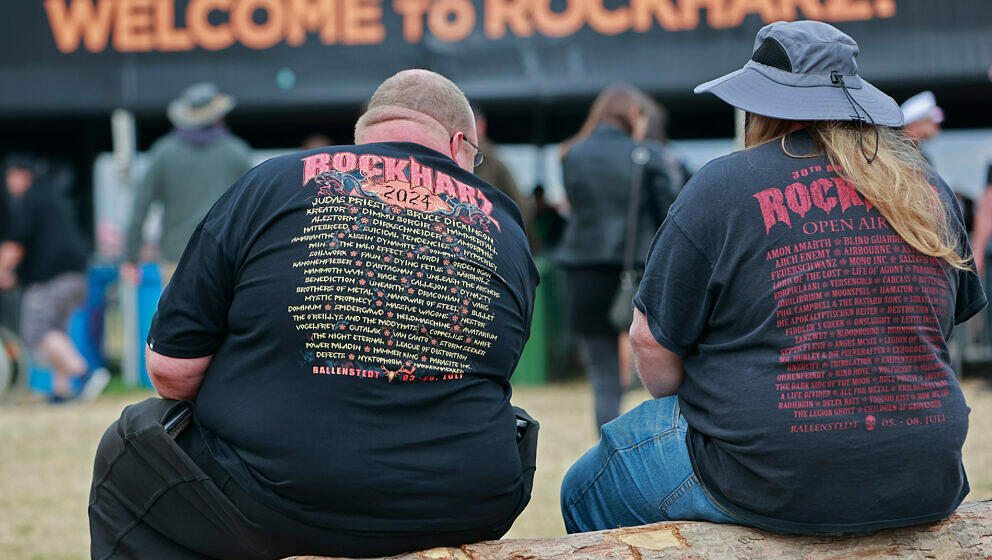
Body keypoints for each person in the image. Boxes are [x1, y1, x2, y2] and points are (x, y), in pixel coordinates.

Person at [89, 69, 539, 559]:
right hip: (466, 502)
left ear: (367, 135)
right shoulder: (506, 227)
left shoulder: (270, 182)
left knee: (131, 442)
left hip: (280, 499)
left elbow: (171, 370)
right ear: (458, 144)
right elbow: (497, 366)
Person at [562, 21, 984, 535]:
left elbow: (650, 340)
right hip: (925, 471)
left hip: (767, 474)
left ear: (761, 106)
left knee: (584, 489)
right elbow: (944, 322)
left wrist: (690, 403)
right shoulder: (926, 190)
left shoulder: (722, 186)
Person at [556, 85, 676, 428]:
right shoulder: (647, 154)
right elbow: (669, 214)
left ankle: (606, 447)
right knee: (663, 360)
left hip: (583, 268)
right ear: (634, 115)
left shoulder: (571, 154)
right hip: (637, 271)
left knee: (602, 369)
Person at [0, 154, 109, 401]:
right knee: (57, 331)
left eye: (10, 177)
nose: (8, 184)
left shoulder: (31, 199)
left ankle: (82, 373)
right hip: (77, 278)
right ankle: (62, 392)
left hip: (52, 279)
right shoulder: (53, 196)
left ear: (20, 175)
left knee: (37, 331)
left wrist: (3, 270)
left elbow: (15, 244)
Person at [123, 82, 253, 283]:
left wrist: (131, 258)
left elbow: (141, 205)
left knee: (178, 314)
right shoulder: (237, 153)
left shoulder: (164, 153)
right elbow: (254, 207)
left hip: (177, 260)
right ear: (218, 115)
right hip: (225, 258)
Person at [470, 103, 524, 211]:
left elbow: (519, 206)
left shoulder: (495, 162)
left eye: (471, 124)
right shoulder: (453, 157)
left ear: (482, 125)